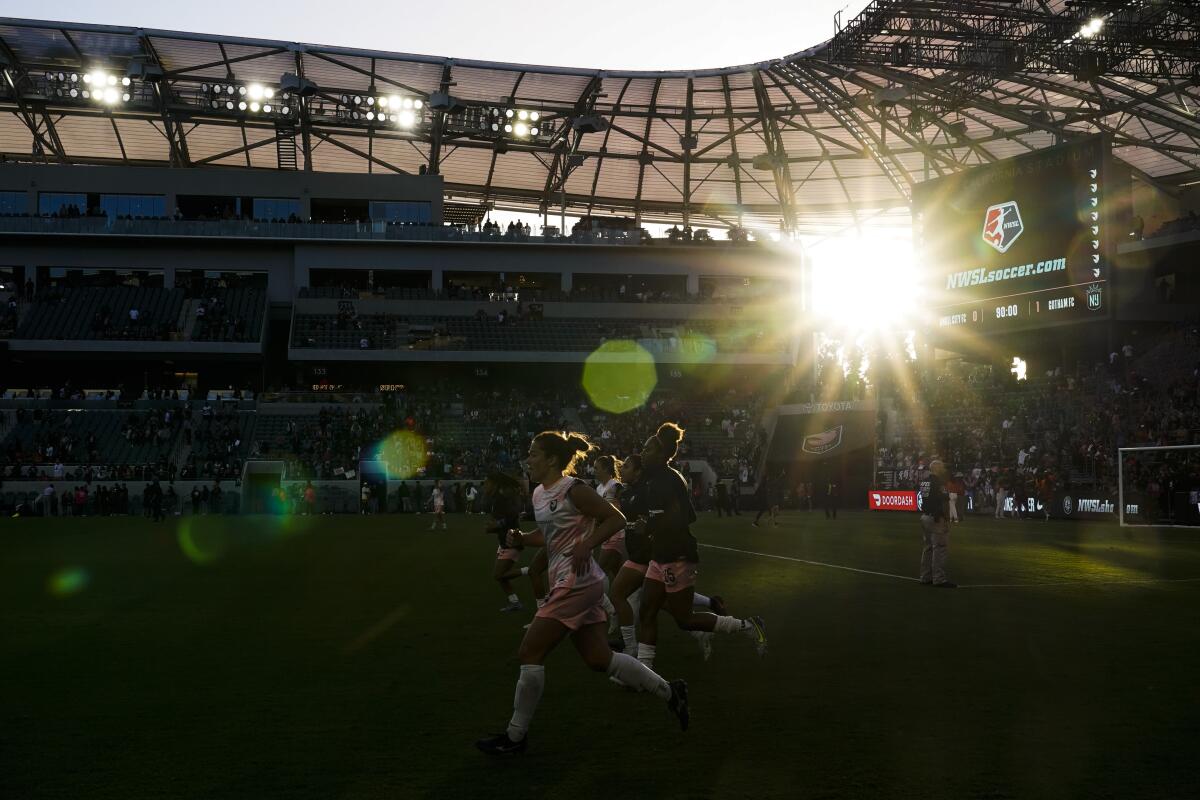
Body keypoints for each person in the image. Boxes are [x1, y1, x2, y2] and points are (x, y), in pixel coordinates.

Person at [476, 431, 689, 756]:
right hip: (580, 583)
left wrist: (587, 543)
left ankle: (515, 737)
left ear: (550, 459)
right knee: (598, 659)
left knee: (530, 652)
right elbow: (549, 538)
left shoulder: (574, 489)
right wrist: (523, 539)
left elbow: (615, 519)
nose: (528, 459)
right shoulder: (538, 494)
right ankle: (671, 691)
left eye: (534, 454)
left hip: (574, 584)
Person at [630, 423, 768, 670]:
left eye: (647, 449)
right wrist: (650, 522)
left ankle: (748, 625)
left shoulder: (667, 480)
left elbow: (681, 518)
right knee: (647, 610)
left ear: (662, 455)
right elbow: (683, 515)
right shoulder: (656, 478)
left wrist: (649, 526)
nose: (642, 452)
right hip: (660, 553)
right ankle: (644, 671)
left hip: (677, 555)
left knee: (684, 618)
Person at [484, 471, 528, 612]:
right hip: (504, 541)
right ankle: (515, 603)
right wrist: (493, 527)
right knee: (501, 577)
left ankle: (530, 570)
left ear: (494, 484)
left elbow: (512, 516)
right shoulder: (497, 497)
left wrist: (496, 525)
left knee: (498, 575)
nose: (485, 486)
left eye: (487, 483)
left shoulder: (501, 498)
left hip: (511, 541)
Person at [919, 460, 955, 588]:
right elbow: (945, 499)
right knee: (939, 548)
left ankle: (925, 576)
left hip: (925, 516)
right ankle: (938, 578)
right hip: (936, 518)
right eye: (942, 467)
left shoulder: (924, 482)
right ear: (937, 469)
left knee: (928, 548)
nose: (944, 470)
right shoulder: (939, 482)